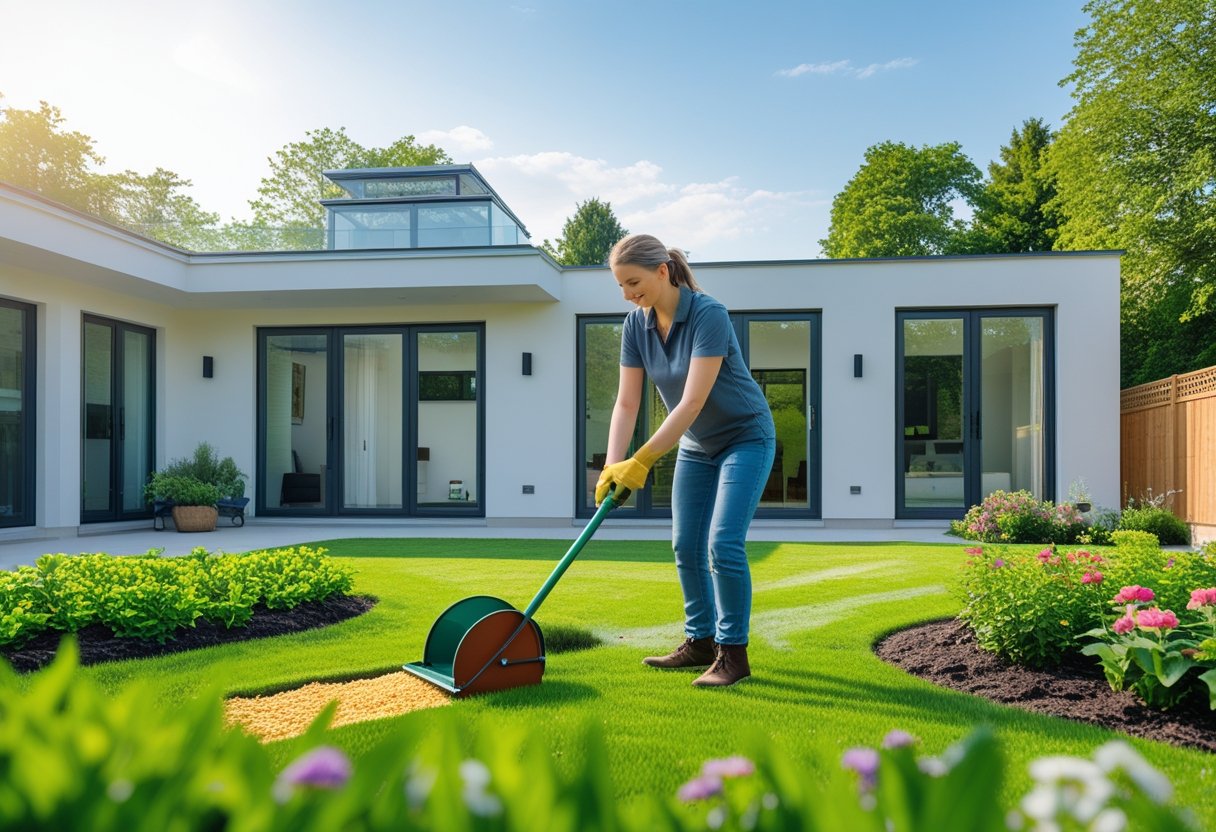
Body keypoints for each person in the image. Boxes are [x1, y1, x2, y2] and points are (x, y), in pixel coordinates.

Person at [596, 234, 776, 687]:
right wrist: (612, 465)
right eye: (620, 286)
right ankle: (700, 642)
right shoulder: (635, 325)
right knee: (685, 545)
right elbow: (626, 403)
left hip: (745, 437)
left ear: (662, 271)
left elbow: (691, 402)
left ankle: (733, 654)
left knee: (723, 542)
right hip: (697, 444)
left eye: (633, 282)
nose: (627, 294)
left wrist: (642, 460)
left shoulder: (707, 314)